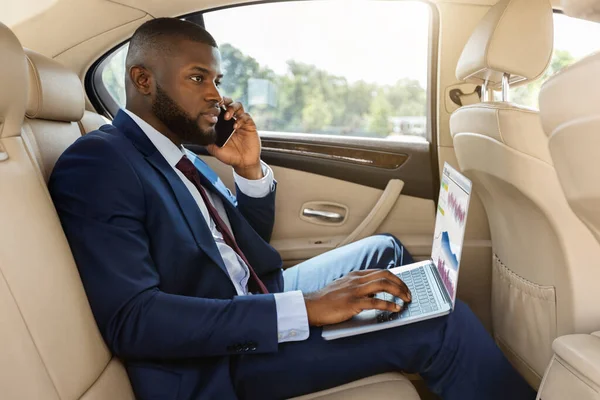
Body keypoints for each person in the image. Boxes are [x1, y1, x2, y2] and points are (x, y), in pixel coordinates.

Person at [49, 18, 536, 400]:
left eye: (216, 80)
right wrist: (306, 309)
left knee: (383, 250)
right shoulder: (100, 161)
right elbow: (135, 319)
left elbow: (236, 245)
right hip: (214, 362)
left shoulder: (176, 154)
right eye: (198, 78)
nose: (216, 96)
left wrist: (250, 170)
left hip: (249, 293)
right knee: (442, 323)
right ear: (142, 79)